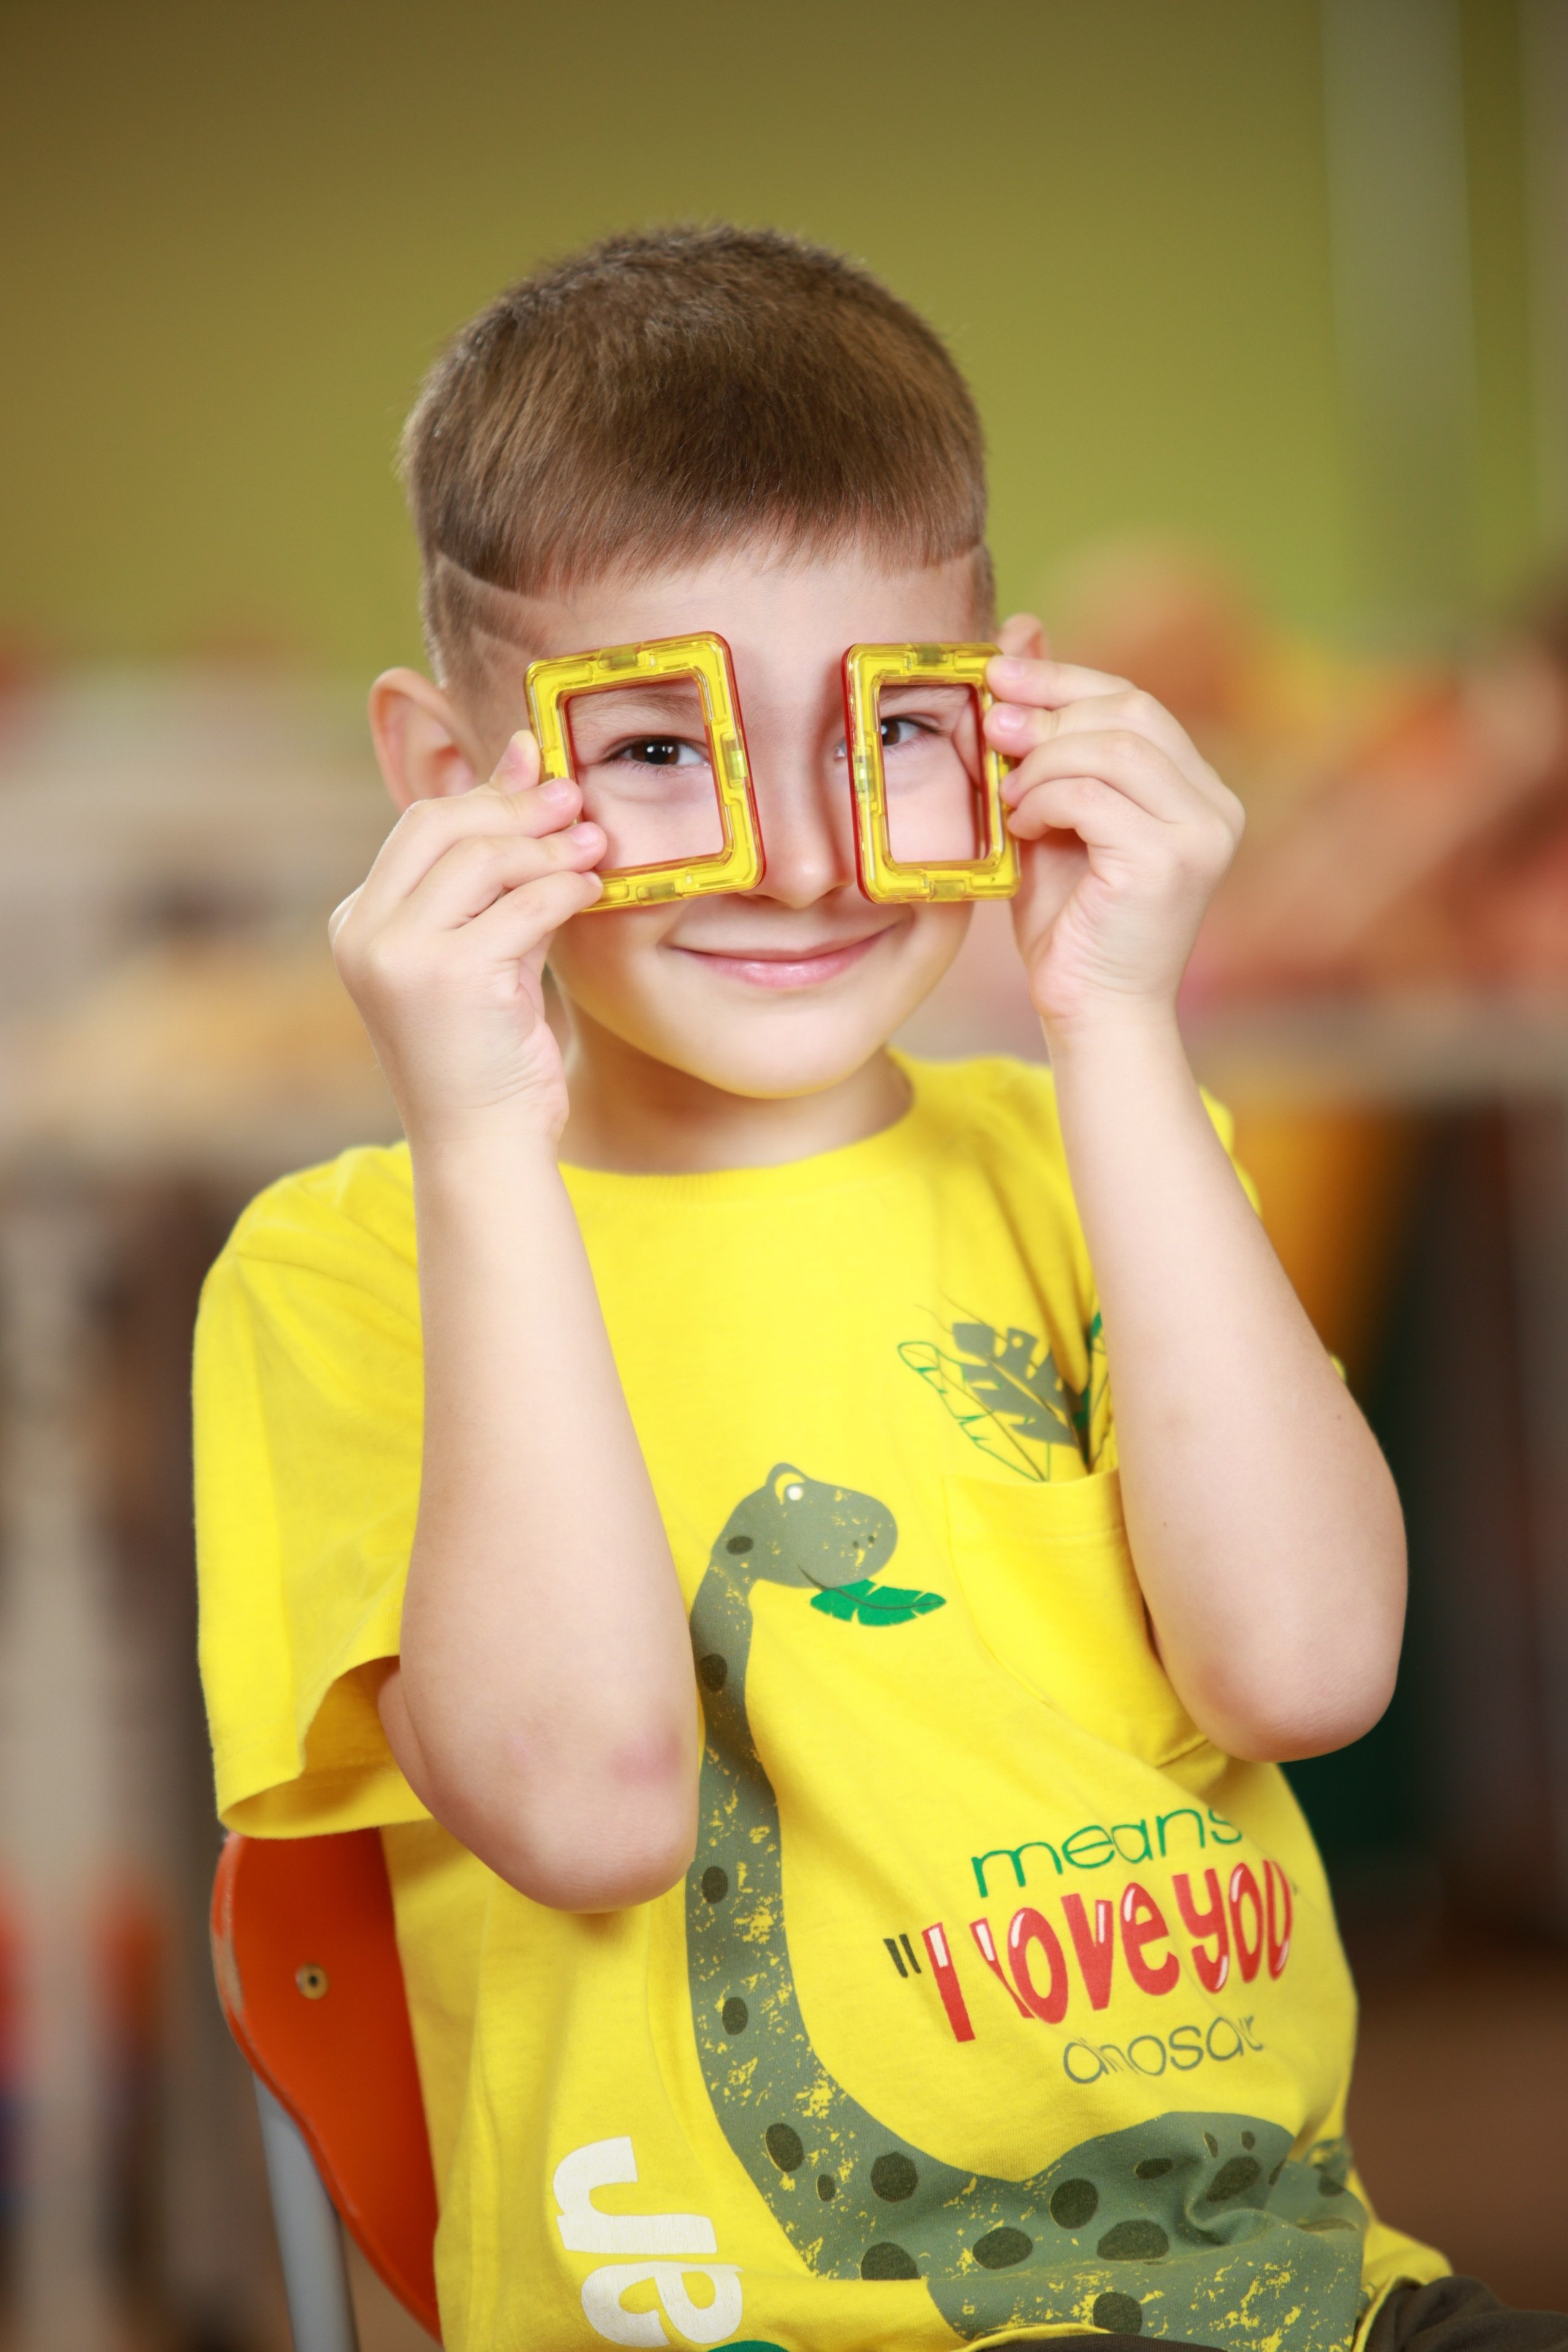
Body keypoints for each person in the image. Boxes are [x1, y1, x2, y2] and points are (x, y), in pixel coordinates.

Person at [194, 227, 1521, 2352]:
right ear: (453, 780)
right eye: (654, 754)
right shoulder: (352, 1260)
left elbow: (1301, 1669)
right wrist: (476, 1134)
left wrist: (1116, 1023)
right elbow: (600, 1808)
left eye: (887, 738)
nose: (802, 859)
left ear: (1005, 724)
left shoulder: (1096, 1157)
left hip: (1286, 2303)